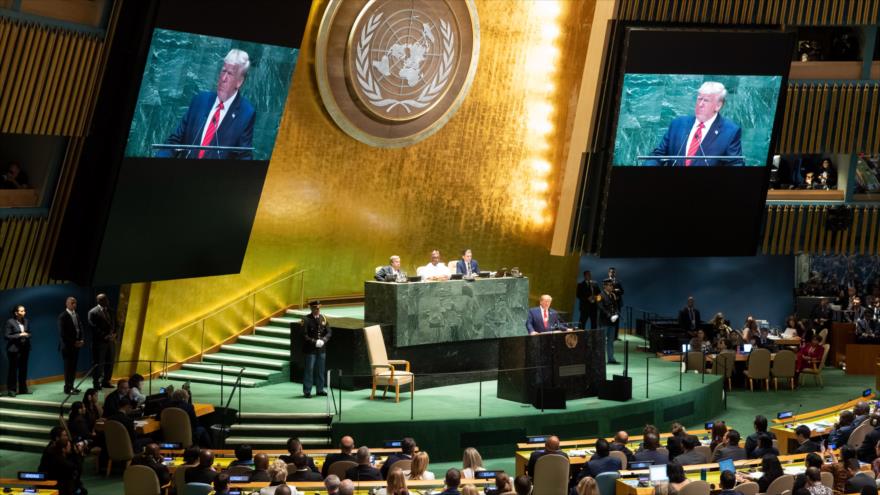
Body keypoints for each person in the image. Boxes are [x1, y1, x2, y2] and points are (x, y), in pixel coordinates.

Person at [159, 49, 255, 160]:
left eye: (230, 74)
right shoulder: (200, 100)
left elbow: (244, 156)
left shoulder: (246, 113)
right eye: (223, 71)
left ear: (239, 82)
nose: (223, 78)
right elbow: (175, 141)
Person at [645, 81, 743, 166]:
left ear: (718, 105)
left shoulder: (730, 132)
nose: (700, 104)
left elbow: (735, 164)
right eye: (699, 99)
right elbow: (658, 155)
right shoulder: (677, 124)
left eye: (706, 100)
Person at [302, 300, 331, 398]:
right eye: (315, 308)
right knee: (309, 370)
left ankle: (320, 389)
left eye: (319, 308)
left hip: (321, 349)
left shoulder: (323, 318)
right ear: (311, 308)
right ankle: (307, 391)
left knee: (320, 369)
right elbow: (304, 335)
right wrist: (314, 342)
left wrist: (324, 340)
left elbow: (329, 332)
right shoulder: (306, 319)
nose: (317, 310)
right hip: (310, 350)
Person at [88, 293, 116, 389]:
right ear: (99, 301)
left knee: (110, 362)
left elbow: (116, 324)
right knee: (98, 363)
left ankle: (106, 381)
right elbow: (93, 327)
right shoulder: (93, 312)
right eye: (104, 299)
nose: (107, 301)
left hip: (111, 342)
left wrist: (114, 334)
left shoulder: (111, 311)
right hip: (99, 343)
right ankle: (96, 383)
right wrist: (105, 336)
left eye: (107, 299)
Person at [58, 297, 85, 395]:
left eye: (75, 303)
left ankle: (72, 386)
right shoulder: (63, 316)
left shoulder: (76, 315)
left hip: (76, 346)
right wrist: (74, 342)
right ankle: (67, 388)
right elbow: (63, 333)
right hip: (67, 346)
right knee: (68, 368)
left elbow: (80, 328)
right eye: (72, 303)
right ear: (67, 304)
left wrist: (81, 340)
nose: (74, 305)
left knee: (73, 367)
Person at [4, 304, 31, 396]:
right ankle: (12, 390)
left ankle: (23, 389)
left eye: (24, 310)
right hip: (14, 350)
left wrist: (27, 335)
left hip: (24, 349)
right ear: (16, 313)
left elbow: (29, 332)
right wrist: (20, 335)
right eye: (22, 311)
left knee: (23, 370)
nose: (24, 312)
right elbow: (7, 336)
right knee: (13, 370)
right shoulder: (10, 322)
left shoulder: (26, 321)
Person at [598, 280, 620, 364]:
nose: (611, 287)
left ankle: (611, 359)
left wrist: (616, 314)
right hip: (604, 322)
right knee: (602, 341)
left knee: (611, 341)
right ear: (605, 286)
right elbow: (601, 308)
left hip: (612, 322)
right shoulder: (600, 296)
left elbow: (616, 307)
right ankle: (600, 359)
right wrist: (610, 316)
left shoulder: (612, 295)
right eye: (609, 285)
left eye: (612, 285)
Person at [607, 268, 624, 340]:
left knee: (617, 320)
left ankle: (615, 336)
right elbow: (605, 291)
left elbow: (622, 292)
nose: (612, 273)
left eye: (613, 272)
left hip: (617, 304)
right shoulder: (606, 281)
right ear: (609, 273)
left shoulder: (618, 282)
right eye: (611, 272)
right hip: (609, 304)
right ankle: (609, 336)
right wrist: (614, 290)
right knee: (609, 320)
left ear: (615, 273)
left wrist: (618, 291)